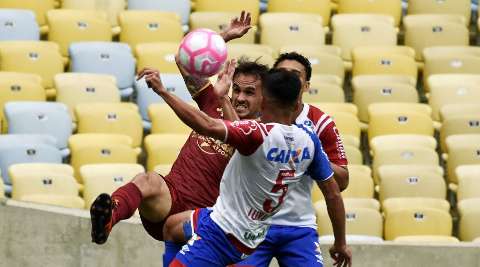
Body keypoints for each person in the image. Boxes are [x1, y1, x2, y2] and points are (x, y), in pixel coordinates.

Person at [89, 11, 268, 266]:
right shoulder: (214, 104)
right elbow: (182, 60)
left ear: (265, 98)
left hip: (203, 219)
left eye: (249, 92)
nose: (240, 97)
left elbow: (239, 135)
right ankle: (109, 216)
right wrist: (221, 39)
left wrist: (222, 97)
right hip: (170, 198)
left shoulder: (264, 132)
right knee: (148, 180)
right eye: (236, 89)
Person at [142, 67, 350, 267]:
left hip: (221, 232)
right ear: (297, 106)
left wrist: (162, 91)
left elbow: (206, 125)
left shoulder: (258, 135)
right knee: (172, 226)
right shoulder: (309, 141)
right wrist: (340, 242)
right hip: (252, 236)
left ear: (263, 101)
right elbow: (333, 194)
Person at [233, 52, 350, 267]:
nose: (286, 79)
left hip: (298, 226)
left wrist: (308, 157)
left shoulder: (318, 122)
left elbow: (340, 183)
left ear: (305, 86)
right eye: (281, 74)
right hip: (252, 224)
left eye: (295, 75)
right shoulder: (254, 115)